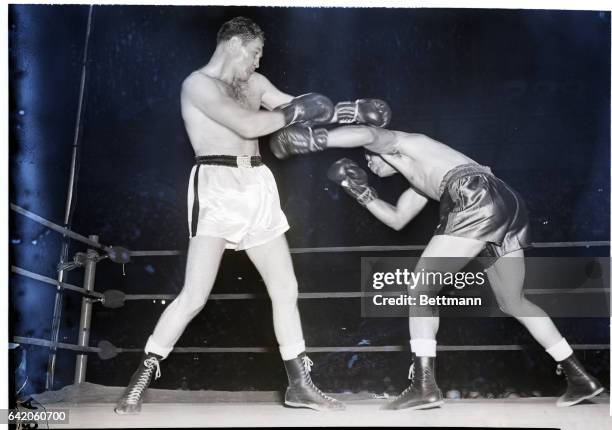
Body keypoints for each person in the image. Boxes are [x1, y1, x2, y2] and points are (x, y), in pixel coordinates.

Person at [113, 16, 390, 414]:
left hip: (258, 185)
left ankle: (300, 385)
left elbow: (301, 107)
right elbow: (247, 123)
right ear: (236, 45)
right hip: (215, 186)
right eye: (256, 53)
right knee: (194, 296)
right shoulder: (197, 85)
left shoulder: (255, 85)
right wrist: (296, 114)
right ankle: (141, 377)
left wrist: (350, 111)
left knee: (285, 288)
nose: (258, 64)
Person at [269, 123, 604, 410]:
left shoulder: (404, 144)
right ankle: (579, 377)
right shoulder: (420, 181)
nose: (369, 165)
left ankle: (424, 386)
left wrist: (318, 139)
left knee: (421, 287)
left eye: (369, 158)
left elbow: (368, 132)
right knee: (513, 301)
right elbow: (398, 220)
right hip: (504, 202)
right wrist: (360, 192)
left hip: (473, 194)